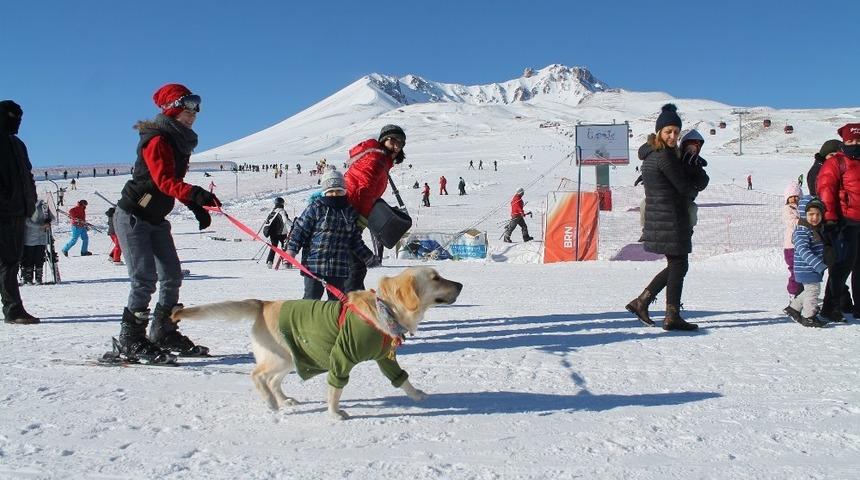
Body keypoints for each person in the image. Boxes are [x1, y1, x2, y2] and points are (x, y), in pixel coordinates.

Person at [108, 83, 220, 364]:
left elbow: (171, 184)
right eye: (189, 105)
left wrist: (195, 205)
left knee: (171, 275)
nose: (195, 112)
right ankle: (131, 338)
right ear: (173, 108)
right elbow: (164, 182)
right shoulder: (157, 139)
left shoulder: (178, 140)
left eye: (197, 106)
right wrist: (195, 194)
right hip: (133, 216)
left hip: (156, 218)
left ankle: (163, 331)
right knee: (144, 278)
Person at [625, 104, 708, 331]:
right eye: (668, 132)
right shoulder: (664, 156)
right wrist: (693, 176)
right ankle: (665, 312)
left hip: (663, 217)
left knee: (677, 265)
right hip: (670, 218)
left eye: (676, 132)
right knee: (679, 264)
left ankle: (645, 303)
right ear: (659, 132)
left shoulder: (654, 153)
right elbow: (685, 189)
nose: (672, 136)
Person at [287, 169, 376, 299]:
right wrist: (291, 250)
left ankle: (332, 320)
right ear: (324, 192)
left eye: (339, 190)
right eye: (331, 191)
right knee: (311, 300)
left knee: (336, 304)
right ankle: (308, 319)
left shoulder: (349, 212)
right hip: (314, 265)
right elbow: (300, 230)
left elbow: (355, 240)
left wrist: (367, 256)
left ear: (344, 191)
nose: (335, 194)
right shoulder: (316, 208)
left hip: (338, 267)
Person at [342, 124, 406, 292]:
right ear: (384, 140)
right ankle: (350, 307)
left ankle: (350, 305)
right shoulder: (376, 159)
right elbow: (365, 190)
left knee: (354, 265)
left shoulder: (381, 159)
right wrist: (362, 218)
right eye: (393, 140)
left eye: (401, 142)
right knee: (354, 266)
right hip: (350, 212)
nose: (397, 145)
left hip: (350, 210)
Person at [0, 100, 39, 324]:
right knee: (7, 261)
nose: (18, 122)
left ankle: (13, 308)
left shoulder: (17, 144)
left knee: (11, 260)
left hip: (17, 211)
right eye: (14, 117)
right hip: (4, 210)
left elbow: (27, 175)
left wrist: (30, 202)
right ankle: (13, 309)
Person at [816, 123, 860, 322]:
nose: (855, 144)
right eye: (851, 141)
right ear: (844, 142)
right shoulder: (836, 163)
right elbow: (826, 189)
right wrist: (831, 218)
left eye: (858, 141)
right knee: (842, 266)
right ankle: (830, 307)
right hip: (846, 222)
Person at [785, 196, 828, 327]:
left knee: (809, 290)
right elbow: (803, 250)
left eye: (818, 214)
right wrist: (817, 264)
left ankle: (794, 308)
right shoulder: (802, 231)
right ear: (804, 214)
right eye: (811, 214)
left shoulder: (812, 229)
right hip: (807, 267)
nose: (814, 218)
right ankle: (809, 316)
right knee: (813, 291)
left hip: (810, 268)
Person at [21, 199, 54, 285]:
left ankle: (38, 278)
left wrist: (48, 222)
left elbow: (52, 218)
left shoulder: (44, 206)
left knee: (39, 258)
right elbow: (26, 222)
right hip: (30, 238)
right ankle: (28, 277)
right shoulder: (28, 206)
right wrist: (41, 226)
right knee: (30, 258)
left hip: (41, 238)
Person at [781, 183, 803, 305]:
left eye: (797, 197)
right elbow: (792, 222)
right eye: (792, 197)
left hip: (801, 245)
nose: (794, 200)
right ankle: (793, 293)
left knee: (802, 271)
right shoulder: (787, 209)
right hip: (791, 246)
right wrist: (805, 221)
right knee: (794, 270)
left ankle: (802, 294)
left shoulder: (802, 209)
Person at [263, 197, 291, 269]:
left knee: (273, 247)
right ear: (282, 203)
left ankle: (270, 261)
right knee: (284, 247)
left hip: (273, 233)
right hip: (282, 233)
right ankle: (285, 263)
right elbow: (285, 220)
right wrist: (293, 224)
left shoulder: (272, 211)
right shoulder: (282, 211)